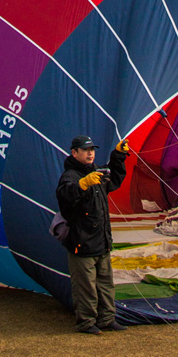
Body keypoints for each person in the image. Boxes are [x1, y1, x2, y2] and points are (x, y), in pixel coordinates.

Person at [56, 134, 129, 335]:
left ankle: (107, 319)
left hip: (101, 240)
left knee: (105, 283)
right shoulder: (70, 177)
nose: (90, 153)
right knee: (85, 286)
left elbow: (114, 179)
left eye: (92, 150)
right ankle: (87, 322)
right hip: (82, 241)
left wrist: (118, 156)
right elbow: (64, 198)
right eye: (86, 150)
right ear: (75, 152)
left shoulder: (96, 172)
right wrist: (82, 185)